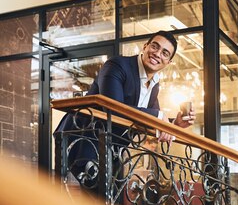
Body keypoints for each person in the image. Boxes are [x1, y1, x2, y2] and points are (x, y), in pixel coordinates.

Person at [55, 30, 195, 181]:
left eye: (165, 53)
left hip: (113, 150)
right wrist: (160, 117)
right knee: (90, 201)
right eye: (155, 46)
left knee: (112, 201)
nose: (157, 53)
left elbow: (149, 117)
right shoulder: (117, 66)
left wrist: (174, 124)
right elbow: (113, 108)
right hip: (81, 144)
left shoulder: (154, 85)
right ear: (145, 46)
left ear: (168, 62)